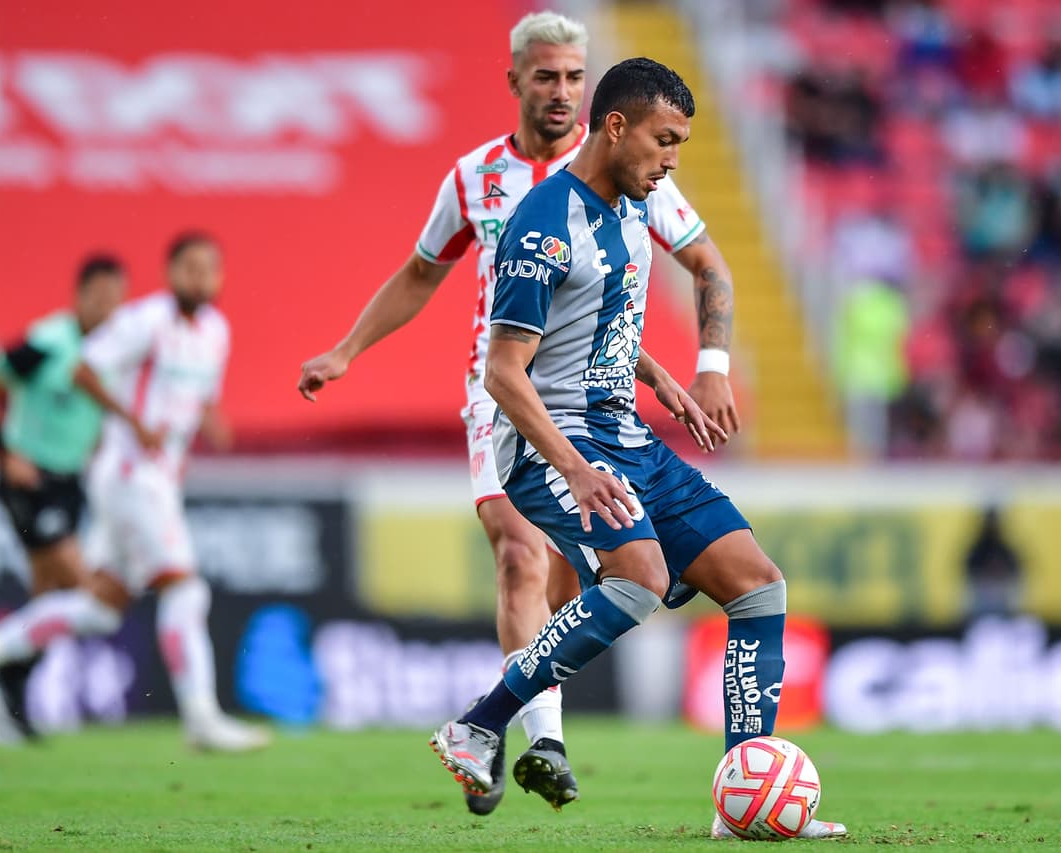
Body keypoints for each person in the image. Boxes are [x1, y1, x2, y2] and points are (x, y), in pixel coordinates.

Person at [296, 11, 740, 814]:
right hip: (499, 391)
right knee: (519, 555)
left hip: (595, 401)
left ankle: (498, 721)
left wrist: (686, 369)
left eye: (575, 75)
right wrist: (345, 349)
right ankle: (543, 743)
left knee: (590, 574)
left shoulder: (634, 165)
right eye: (546, 76)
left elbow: (658, 281)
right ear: (516, 81)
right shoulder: (475, 178)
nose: (561, 91)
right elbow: (422, 272)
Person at [428, 57, 845, 840]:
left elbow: (597, 320)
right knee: (640, 579)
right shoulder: (544, 225)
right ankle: (478, 725)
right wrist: (576, 470)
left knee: (759, 587)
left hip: (629, 434)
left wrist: (660, 375)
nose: (671, 160)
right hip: (553, 445)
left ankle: (743, 804)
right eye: (665, 141)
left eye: (682, 145)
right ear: (614, 126)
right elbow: (505, 371)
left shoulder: (630, 206)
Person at [0, 232, 270, 752]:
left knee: (100, 608)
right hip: (130, 473)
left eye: (209, 268)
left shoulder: (216, 330)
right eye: (189, 268)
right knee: (186, 589)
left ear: (221, 276)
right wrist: (132, 420)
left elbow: (200, 395)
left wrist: (212, 419)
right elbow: (83, 369)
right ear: (171, 273)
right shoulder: (145, 320)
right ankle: (202, 720)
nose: (200, 278)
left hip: (157, 478)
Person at [0, 254, 159, 742]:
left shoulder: (115, 355)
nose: (107, 309)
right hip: (30, 477)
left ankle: (11, 684)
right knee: (82, 579)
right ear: (80, 296)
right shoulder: (49, 341)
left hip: (70, 482)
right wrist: (6, 453)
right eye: (99, 298)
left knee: (53, 597)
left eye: (116, 300)